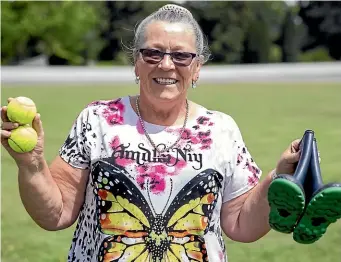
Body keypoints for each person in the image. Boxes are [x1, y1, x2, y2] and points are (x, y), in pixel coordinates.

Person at [1, 4, 302, 262]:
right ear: (136, 62)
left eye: (181, 56)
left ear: (197, 68)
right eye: (152, 53)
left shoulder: (221, 129)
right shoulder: (97, 119)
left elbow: (242, 225)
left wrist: (280, 175)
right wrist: (32, 163)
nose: (167, 64)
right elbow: (56, 215)